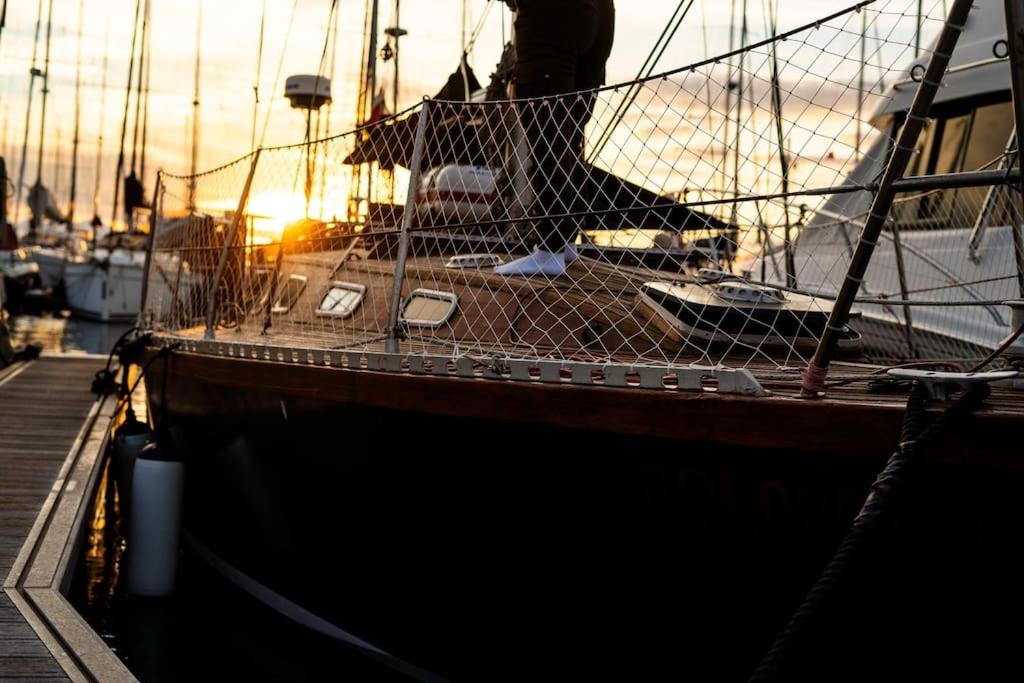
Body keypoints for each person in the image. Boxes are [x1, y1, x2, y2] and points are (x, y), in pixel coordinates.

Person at [494, 0, 615, 277]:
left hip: (552, 21)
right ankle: (566, 238)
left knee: (547, 139)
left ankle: (550, 250)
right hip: (598, 15)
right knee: (569, 136)